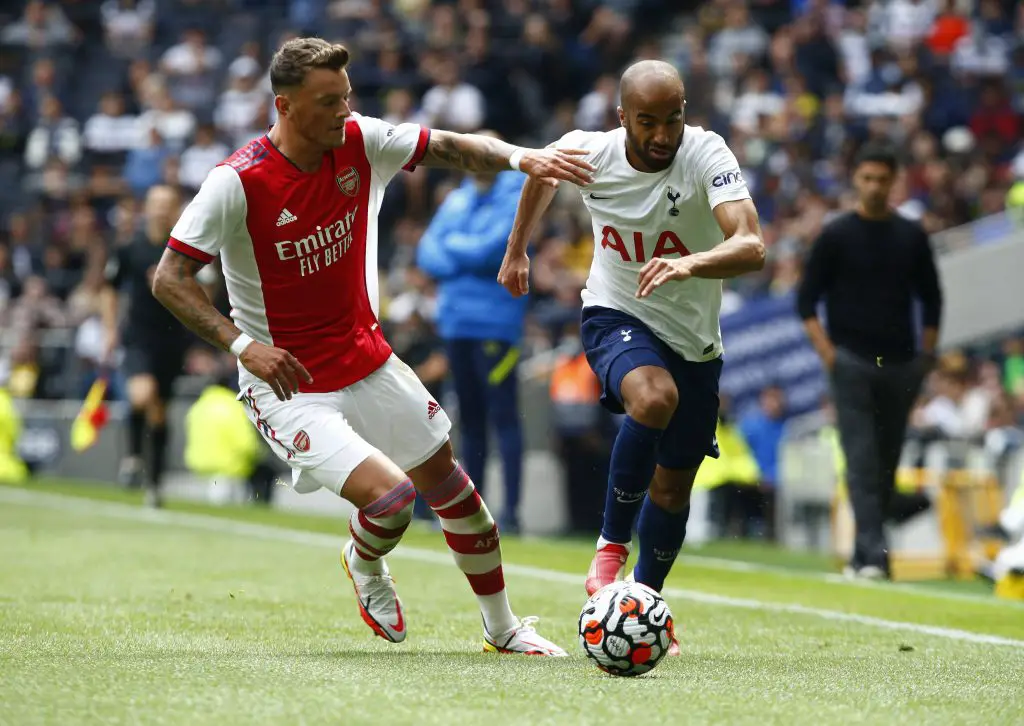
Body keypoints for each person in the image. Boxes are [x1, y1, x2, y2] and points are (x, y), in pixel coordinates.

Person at [151, 37, 595, 655]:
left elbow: (448, 146)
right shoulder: (237, 182)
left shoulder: (359, 140)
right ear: (285, 105)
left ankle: (504, 629)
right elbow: (168, 278)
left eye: (346, 96)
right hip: (289, 385)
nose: (343, 111)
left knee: (459, 497)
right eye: (328, 101)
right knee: (391, 500)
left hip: (369, 359)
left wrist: (524, 158)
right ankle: (365, 564)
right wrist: (243, 345)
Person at [498, 60, 765, 654]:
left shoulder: (706, 154)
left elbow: (751, 245)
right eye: (648, 121)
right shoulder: (588, 152)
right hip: (616, 313)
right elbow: (541, 174)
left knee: (672, 490)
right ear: (623, 118)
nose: (662, 134)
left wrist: (690, 262)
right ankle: (609, 548)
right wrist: (518, 249)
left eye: (673, 119)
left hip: (696, 342)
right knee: (653, 396)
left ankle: (644, 604)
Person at [796, 143, 943, 580]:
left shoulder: (911, 236)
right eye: (867, 178)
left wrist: (926, 357)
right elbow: (805, 301)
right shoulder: (836, 234)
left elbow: (932, 299)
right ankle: (875, 557)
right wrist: (828, 354)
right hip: (852, 361)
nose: (875, 187)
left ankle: (865, 555)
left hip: (900, 365)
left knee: (886, 460)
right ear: (855, 180)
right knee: (861, 459)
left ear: (894, 180)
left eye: (883, 179)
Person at [416, 133, 528, 533]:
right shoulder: (458, 197)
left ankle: (512, 514)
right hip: (456, 324)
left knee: (504, 418)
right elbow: (426, 252)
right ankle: (473, 510)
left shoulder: (517, 194)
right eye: (470, 152)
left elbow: (490, 251)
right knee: (469, 420)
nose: (475, 159)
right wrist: (462, 253)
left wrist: (452, 249)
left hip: (497, 324)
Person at [101, 184, 193, 508]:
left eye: (167, 204)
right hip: (138, 335)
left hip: (171, 339)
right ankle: (133, 457)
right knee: (143, 394)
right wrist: (110, 329)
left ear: (176, 209)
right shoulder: (130, 248)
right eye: (155, 204)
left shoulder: (185, 250)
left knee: (159, 412)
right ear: (147, 208)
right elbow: (109, 288)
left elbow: (203, 291)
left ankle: (154, 484)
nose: (160, 210)